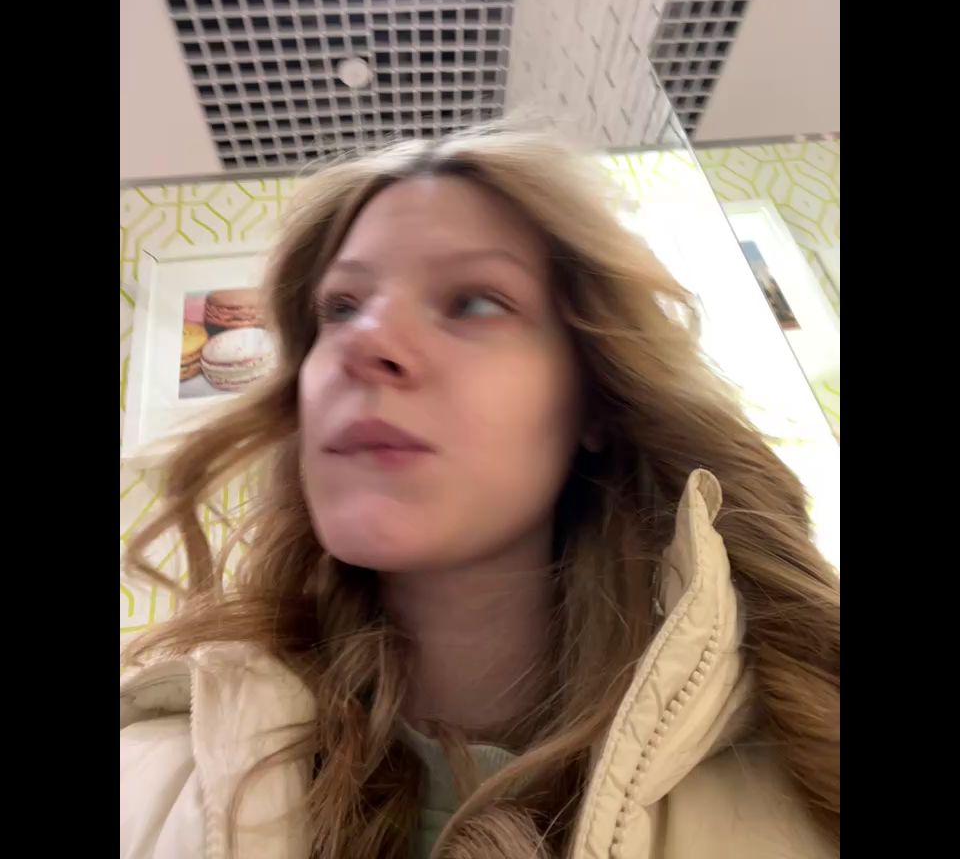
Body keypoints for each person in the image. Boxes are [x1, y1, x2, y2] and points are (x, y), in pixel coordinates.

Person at [120, 125, 839, 859]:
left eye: (474, 301)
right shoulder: (151, 777)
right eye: (340, 307)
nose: (366, 342)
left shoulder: (810, 763)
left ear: (593, 398)